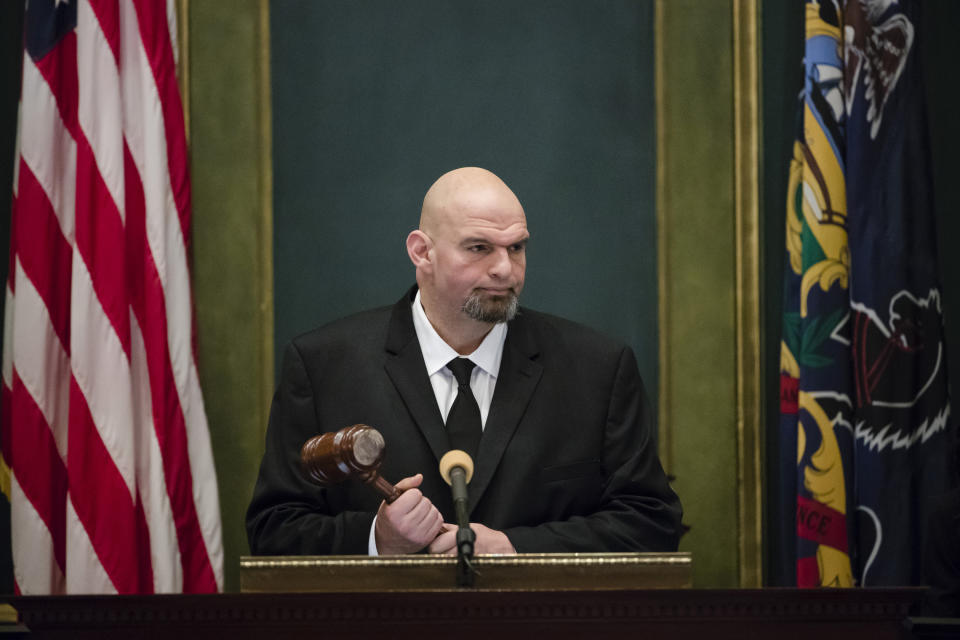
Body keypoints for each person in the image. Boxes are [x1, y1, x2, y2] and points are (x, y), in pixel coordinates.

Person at [246, 167, 682, 556]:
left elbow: (651, 521)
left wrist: (516, 547)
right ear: (422, 252)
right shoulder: (324, 365)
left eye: (516, 248)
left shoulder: (597, 368)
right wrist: (378, 539)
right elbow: (273, 530)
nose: (505, 270)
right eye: (479, 248)